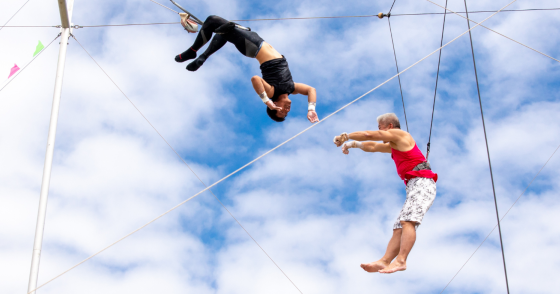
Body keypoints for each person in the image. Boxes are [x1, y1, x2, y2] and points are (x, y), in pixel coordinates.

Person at [334, 113, 437, 274]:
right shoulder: (395, 145)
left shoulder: (400, 134)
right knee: (399, 226)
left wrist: (345, 136)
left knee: (408, 221)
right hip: (414, 185)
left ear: (389, 126)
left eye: (380, 127)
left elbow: (370, 135)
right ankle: (385, 261)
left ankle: (401, 260)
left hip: (422, 182)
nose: (379, 131)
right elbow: (372, 146)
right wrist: (352, 144)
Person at [174, 14, 318, 123]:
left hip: (254, 46)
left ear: (275, 105)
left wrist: (267, 101)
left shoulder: (273, 91)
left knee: (214, 21)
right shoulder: (290, 88)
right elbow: (311, 90)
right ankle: (201, 55)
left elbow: (255, 79)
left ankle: (194, 52)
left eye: (281, 111)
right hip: (256, 42)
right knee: (222, 30)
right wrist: (311, 109)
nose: (287, 110)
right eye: (286, 113)